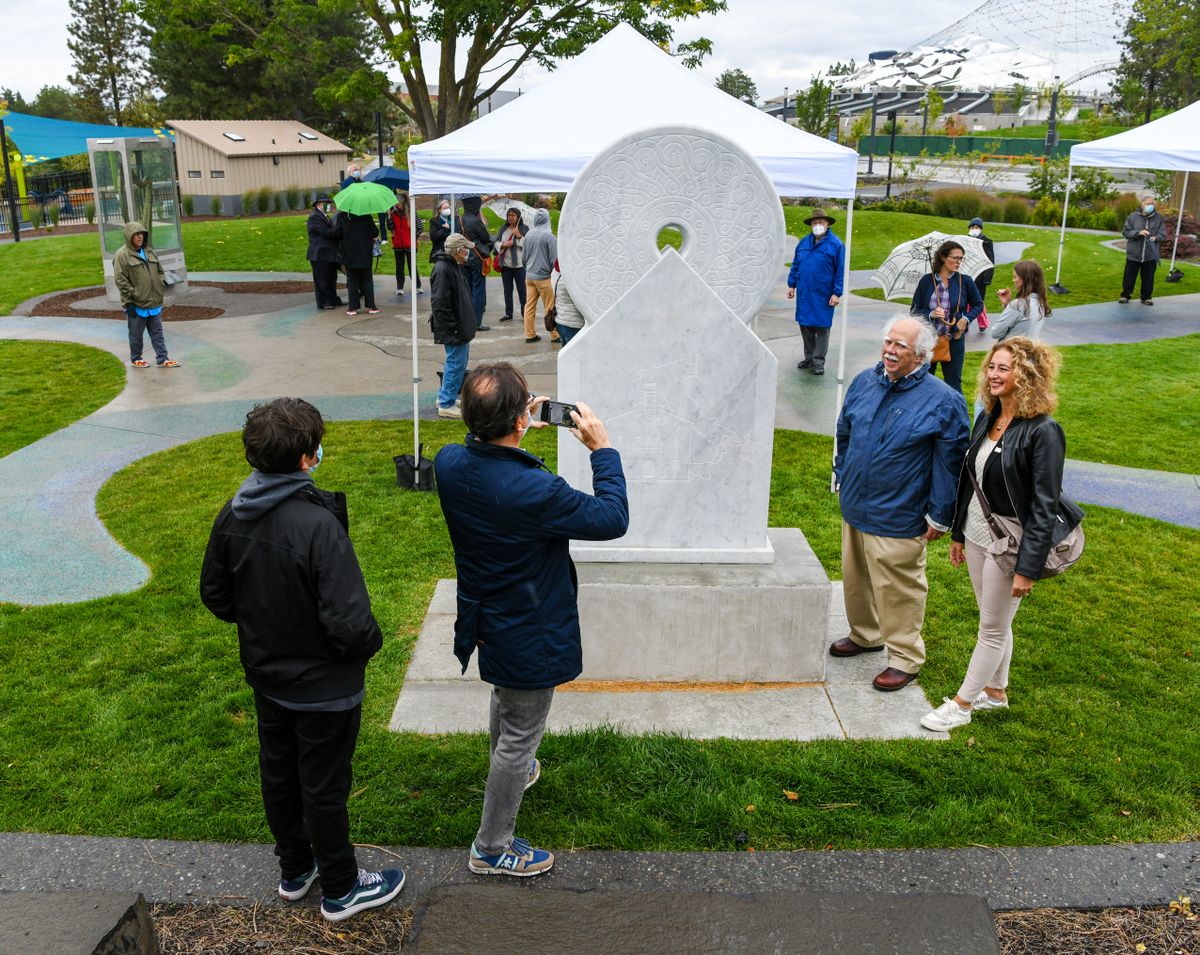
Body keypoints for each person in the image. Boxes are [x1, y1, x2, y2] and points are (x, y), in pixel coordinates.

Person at [199, 397, 404, 922]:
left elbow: (217, 596)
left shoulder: (233, 511)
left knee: (281, 772)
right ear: (309, 458)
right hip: (324, 688)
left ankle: (295, 868)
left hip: (269, 677)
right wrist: (358, 650)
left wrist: (267, 628)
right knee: (323, 785)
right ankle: (341, 886)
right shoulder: (317, 528)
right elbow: (352, 623)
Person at [434, 362, 628, 877]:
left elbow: (488, 453)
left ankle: (512, 772)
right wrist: (602, 450)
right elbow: (612, 518)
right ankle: (492, 846)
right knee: (521, 732)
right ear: (518, 422)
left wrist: (515, 423)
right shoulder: (535, 493)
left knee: (506, 699)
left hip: (488, 614)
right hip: (530, 624)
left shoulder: (449, 463)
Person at [921, 339, 1084, 731]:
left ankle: (961, 705)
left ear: (1025, 375)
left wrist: (1027, 568)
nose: (993, 374)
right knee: (994, 618)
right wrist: (959, 533)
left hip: (1011, 543)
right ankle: (996, 694)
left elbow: (1045, 505)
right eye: (991, 366)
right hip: (978, 534)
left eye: (1003, 368)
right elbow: (969, 480)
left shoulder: (1044, 431)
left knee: (991, 628)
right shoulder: (989, 418)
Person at [830, 317, 969, 691]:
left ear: (921, 355)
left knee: (899, 589)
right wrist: (842, 473)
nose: (890, 351)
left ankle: (905, 658)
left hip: (900, 513)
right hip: (857, 505)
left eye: (900, 346)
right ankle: (865, 634)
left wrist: (940, 515)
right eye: (888, 342)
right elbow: (845, 431)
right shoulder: (864, 382)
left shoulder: (944, 401)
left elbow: (950, 464)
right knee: (856, 580)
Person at [910, 240, 983, 394]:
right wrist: (931, 314)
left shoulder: (965, 281)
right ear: (943, 257)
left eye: (961, 258)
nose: (958, 262)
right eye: (955, 257)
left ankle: (956, 417)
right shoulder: (926, 281)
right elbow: (914, 311)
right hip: (928, 341)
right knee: (923, 383)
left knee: (953, 385)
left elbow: (978, 305)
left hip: (953, 340)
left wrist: (965, 319)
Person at [113, 220, 181, 369]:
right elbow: (120, 280)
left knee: (157, 333)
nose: (140, 237)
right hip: (136, 305)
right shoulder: (122, 255)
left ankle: (162, 358)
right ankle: (136, 358)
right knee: (136, 335)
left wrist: (159, 284)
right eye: (136, 234)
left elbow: (160, 271)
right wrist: (132, 297)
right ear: (129, 236)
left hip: (154, 303)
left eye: (142, 234)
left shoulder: (149, 251)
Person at [786, 208, 844, 377]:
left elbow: (840, 271)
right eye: (814, 222)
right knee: (805, 326)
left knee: (822, 328)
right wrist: (792, 285)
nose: (817, 225)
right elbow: (795, 264)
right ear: (811, 224)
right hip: (805, 292)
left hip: (824, 293)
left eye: (821, 222)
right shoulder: (803, 243)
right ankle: (809, 358)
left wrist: (836, 293)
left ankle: (819, 361)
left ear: (827, 224)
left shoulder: (836, 244)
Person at [430, 234, 477, 419]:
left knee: (458, 363)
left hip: (458, 326)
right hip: (453, 328)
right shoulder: (443, 269)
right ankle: (446, 403)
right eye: (465, 249)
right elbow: (440, 302)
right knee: (455, 364)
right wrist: (453, 327)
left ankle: (445, 397)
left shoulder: (451, 266)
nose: (468, 252)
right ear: (458, 251)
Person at [1120, 194, 1166, 305]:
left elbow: (1162, 234)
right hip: (1134, 254)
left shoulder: (1158, 218)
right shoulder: (1132, 217)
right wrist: (1138, 232)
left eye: (1152, 204)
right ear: (1142, 204)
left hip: (1150, 254)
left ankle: (1146, 297)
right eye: (1148, 204)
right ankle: (1125, 295)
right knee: (1129, 277)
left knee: (1148, 278)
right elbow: (1126, 233)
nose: (1150, 206)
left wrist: (1156, 237)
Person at [523, 209, 560, 344]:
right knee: (550, 307)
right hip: (545, 278)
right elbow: (554, 260)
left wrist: (529, 269)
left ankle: (529, 334)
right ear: (547, 219)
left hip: (530, 277)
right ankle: (554, 334)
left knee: (529, 306)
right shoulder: (549, 237)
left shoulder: (528, 235)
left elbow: (524, 258)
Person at [991, 259, 1052, 341]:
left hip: (1011, 351)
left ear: (1025, 279)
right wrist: (1007, 305)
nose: (1013, 280)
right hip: (1028, 351)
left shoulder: (1018, 305)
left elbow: (995, 332)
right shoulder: (1040, 302)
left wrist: (1010, 306)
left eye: (1015, 277)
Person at [458, 196, 493, 331]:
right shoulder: (475, 221)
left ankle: (467, 319)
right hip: (476, 258)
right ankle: (477, 321)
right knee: (478, 290)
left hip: (464, 257)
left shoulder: (460, 218)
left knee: (468, 289)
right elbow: (486, 238)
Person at [337, 211, 379, 316]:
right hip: (364, 253)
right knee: (367, 281)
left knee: (352, 282)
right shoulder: (366, 216)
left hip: (349, 254)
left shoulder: (342, 216)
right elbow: (375, 232)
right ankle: (371, 306)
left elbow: (337, 233)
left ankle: (352, 308)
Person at [306, 196, 343, 310]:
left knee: (331, 277)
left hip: (328, 253)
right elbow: (327, 233)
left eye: (329, 203)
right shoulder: (315, 217)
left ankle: (333, 299)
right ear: (318, 204)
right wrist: (340, 229)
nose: (328, 205)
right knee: (322, 279)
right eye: (325, 203)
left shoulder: (325, 216)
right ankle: (324, 302)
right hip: (319, 253)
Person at [494, 207, 528, 324]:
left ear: (518, 217)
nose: (511, 217)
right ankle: (509, 313)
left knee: (522, 291)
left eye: (513, 215)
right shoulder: (503, 229)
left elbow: (528, 246)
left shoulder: (524, 229)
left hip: (519, 266)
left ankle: (525, 313)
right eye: (509, 215)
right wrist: (504, 244)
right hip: (506, 266)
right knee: (507, 291)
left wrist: (519, 236)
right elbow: (496, 243)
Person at [388, 193, 423, 296]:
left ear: (404, 203)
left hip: (410, 245)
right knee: (399, 267)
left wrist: (413, 238)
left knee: (412, 266)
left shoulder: (411, 212)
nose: (397, 205)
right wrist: (389, 217)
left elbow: (420, 227)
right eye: (396, 203)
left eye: (399, 203)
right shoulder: (393, 213)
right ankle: (399, 287)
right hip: (398, 245)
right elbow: (390, 228)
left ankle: (417, 286)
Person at [551, 270, 584, 346]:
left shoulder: (555, 273)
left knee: (565, 352)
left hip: (560, 320)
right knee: (574, 355)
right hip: (573, 323)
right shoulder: (570, 278)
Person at [967, 217, 995, 304]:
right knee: (965, 301)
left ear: (981, 229)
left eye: (977, 227)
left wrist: (987, 279)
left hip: (980, 276)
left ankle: (982, 318)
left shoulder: (987, 242)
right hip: (968, 274)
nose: (974, 229)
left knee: (978, 302)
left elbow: (990, 260)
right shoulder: (966, 240)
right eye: (972, 227)